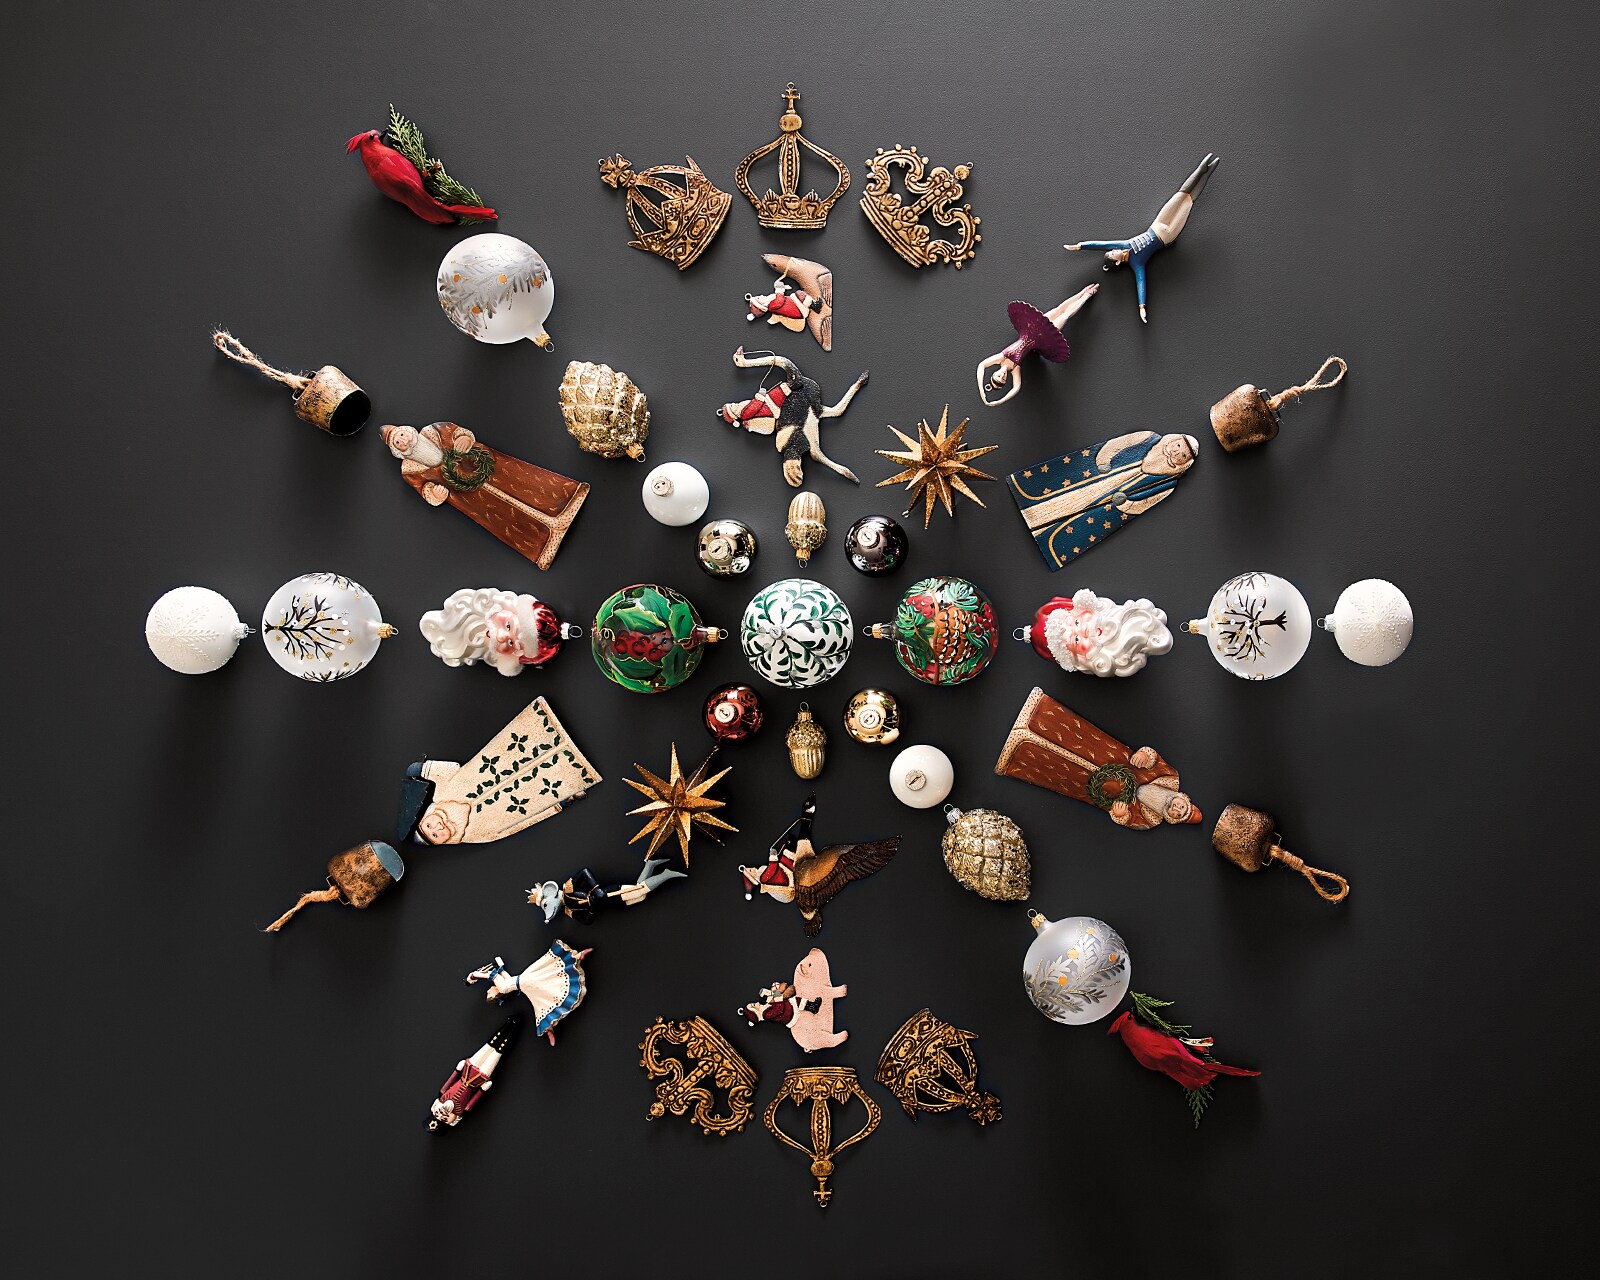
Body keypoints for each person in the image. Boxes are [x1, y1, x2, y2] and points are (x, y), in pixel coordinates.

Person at [1065, 154, 1219, 322]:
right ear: (1117, 262)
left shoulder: (1124, 244)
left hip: (1157, 224)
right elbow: (1140, 283)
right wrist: (1142, 307)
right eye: (1113, 254)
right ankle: (1209, 173)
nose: (1114, 250)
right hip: (1167, 236)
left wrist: (1080, 246)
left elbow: (1100, 244)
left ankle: (1201, 169)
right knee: (1188, 202)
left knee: (1179, 195)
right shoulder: (1137, 263)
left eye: (1112, 251)